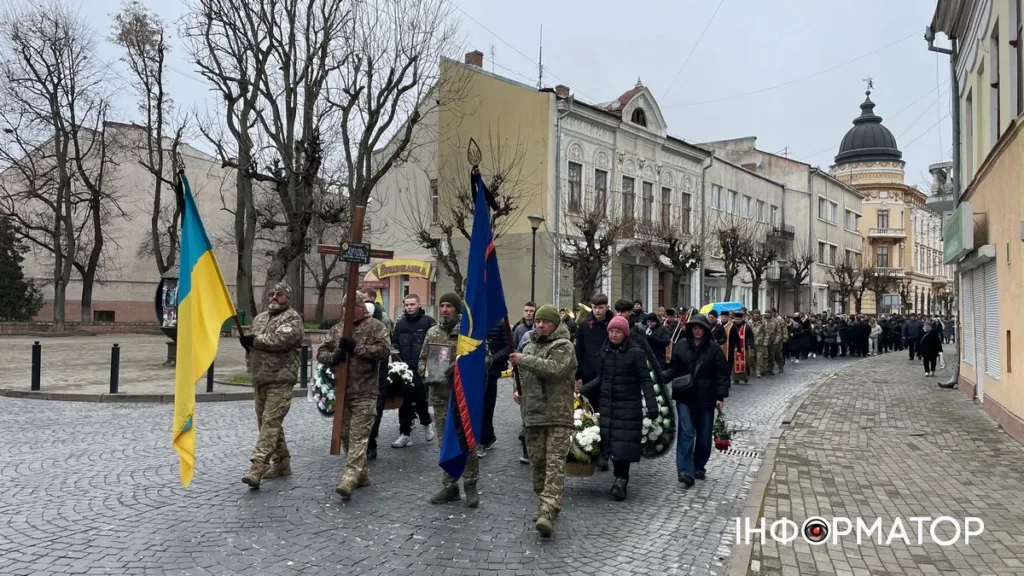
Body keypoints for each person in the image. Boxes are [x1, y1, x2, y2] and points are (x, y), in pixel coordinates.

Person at [509, 304, 577, 537]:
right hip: (533, 415)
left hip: (557, 416)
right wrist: (517, 390)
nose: (540, 325)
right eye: (537, 321)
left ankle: (548, 511)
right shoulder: (529, 346)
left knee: (554, 465)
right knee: (537, 464)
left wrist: (524, 360)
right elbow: (520, 375)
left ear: (555, 324)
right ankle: (544, 501)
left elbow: (554, 370)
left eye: (545, 321)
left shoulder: (564, 346)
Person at [317, 292, 391, 499]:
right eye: (343, 306)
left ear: (360, 307)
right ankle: (362, 473)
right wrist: (334, 357)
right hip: (342, 392)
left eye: (350, 306)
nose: (346, 310)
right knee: (345, 435)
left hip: (365, 391)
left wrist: (357, 348)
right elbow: (321, 352)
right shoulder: (336, 329)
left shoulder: (375, 326)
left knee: (358, 436)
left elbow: (384, 351)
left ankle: (349, 478)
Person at [581, 315, 658, 501]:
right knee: (612, 441)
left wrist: (651, 404)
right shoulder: (605, 350)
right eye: (611, 331)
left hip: (628, 406)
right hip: (608, 404)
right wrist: (581, 392)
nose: (613, 335)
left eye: (617, 332)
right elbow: (601, 378)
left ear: (625, 334)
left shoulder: (636, 353)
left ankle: (621, 480)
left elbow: (645, 380)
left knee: (623, 445)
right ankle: (616, 475)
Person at [240, 281, 305, 489]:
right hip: (260, 379)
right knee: (266, 423)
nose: (274, 297)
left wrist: (254, 341)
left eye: (279, 294)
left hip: (281, 379)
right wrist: (248, 345)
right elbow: (254, 344)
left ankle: (257, 466)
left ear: (288, 298)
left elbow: (279, 340)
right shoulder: (260, 318)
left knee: (270, 423)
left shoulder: (292, 318)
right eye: (271, 294)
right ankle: (282, 462)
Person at [420, 293, 480, 507]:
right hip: (440, 397)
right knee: (445, 443)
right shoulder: (433, 332)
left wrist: (460, 368)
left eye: (449, 306)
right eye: (442, 305)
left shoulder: (468, 333)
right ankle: (450, 486)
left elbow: (485, 360)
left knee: (467, 443)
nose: (445, 309)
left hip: (462, 399)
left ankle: (470, 484)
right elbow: (422, 359)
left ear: (457, 309)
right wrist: (427, 371)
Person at [664, 313, 729, 487]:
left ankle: (699, 465)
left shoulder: (714, 348)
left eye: (700, 328)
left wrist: (720, 396)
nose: (697, 331)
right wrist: (660, 378)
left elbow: (722, 374)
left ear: (705, 330)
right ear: (690, 329)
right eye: (694, 328)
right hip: (685, 396)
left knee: (704, 436)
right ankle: (685, 471)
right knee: (686, 432)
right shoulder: (681, 345)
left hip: (707, 397)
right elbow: (673, 369)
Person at [390, 294, 435, 449]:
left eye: (412, 304)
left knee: (420, 399)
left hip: (422, 368)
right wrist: (396, 365)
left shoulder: (428, 322)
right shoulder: (400, 324)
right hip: (404, 368)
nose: (409, 307)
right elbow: (394, 344)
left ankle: (426, 422)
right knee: (404, 401)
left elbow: (434, 345)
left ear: (419, 305)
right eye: (407, 305)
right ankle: (405, 433)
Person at [480, 319, 510, 457]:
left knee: (487, 406)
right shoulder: (472, 320)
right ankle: (487, 436)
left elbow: (508, 347)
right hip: (473, 370)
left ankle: (483, 440)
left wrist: (491, 358)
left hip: (491, 371)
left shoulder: (499, 323)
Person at [726, 311, 754, 384]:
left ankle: (744, 378)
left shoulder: (746, 327)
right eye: (736, 319)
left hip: (744, 348)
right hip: (734, 349)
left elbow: (751, 337)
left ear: (741, 319)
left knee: (745, 363)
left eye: (739, 319)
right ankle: (736, 379)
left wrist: (752, 347)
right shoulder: (731, 327)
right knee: (734, 364)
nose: (737, 321)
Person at [749, 310, 768, 378]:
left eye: (757, 313)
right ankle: (753, 369)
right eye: (755, 313)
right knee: (750, 357)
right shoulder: (749, 322)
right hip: (751, 343)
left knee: (759, 358)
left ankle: (758, 371)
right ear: (753, 314)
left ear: (759, 315)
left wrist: (765, 342)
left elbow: (766, 333)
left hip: (760, 343)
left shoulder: (763, 322)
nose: (756, 315)